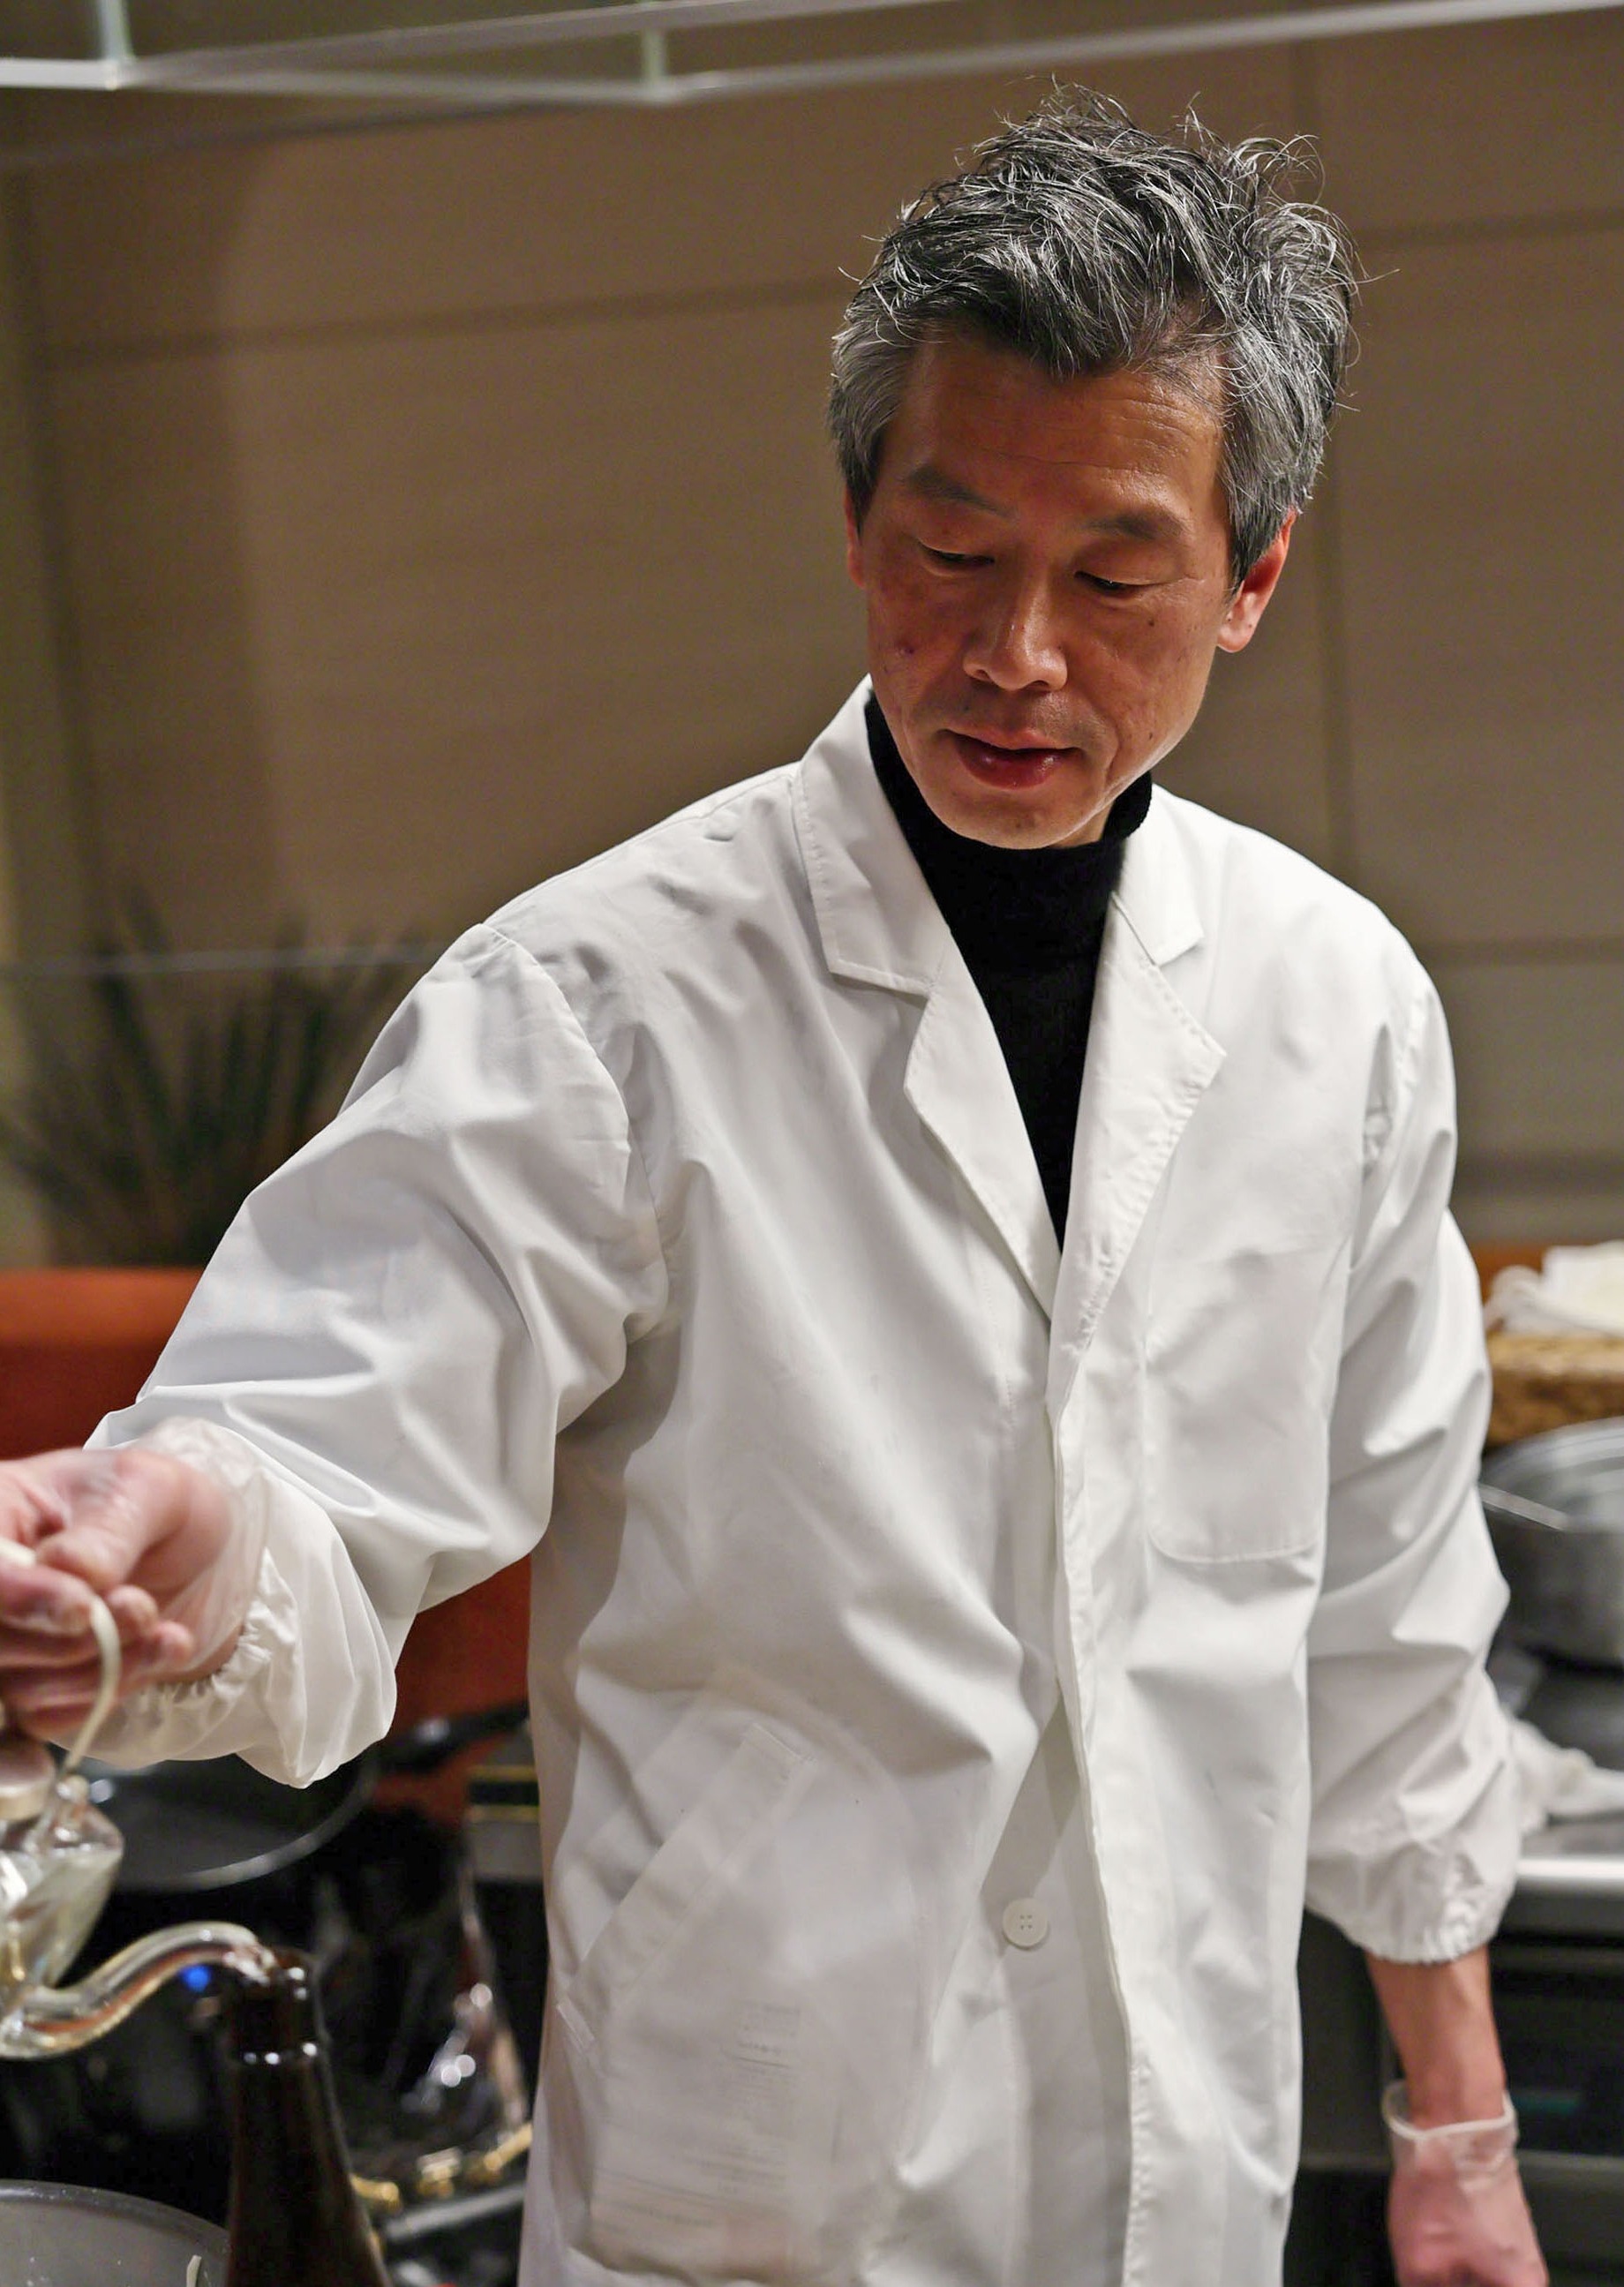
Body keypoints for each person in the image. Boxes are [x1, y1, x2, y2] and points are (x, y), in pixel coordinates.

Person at [0, 93, 1545, 2287]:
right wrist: (179, 1522)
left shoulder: (1338, 1005)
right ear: (851, 524)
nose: (1015, 654)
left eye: (1113, 576)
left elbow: (1384, 1610)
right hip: (756, 2215)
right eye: (949, 552)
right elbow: (322, 1462)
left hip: (1173, 2195)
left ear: (1248, 581)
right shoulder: (599, 1001)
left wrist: (1454, 2128)